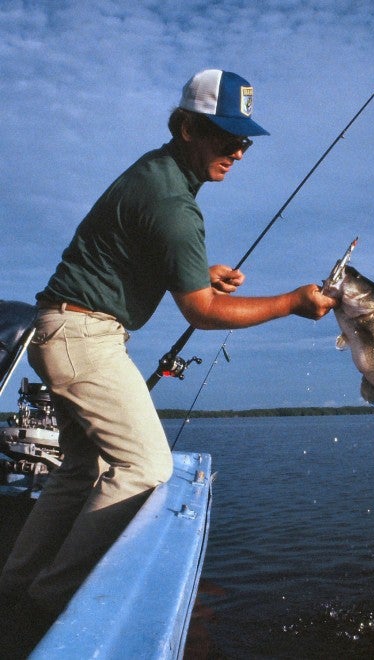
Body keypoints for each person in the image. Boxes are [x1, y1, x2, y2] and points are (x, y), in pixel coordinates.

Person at [0, 69, 337, 624]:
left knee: (78, 471)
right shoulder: (174, 205)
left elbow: (134, 252)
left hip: (58, 329)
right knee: (145, 466)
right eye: (224, 136)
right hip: (87, 339)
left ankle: (14, 585)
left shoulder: (154, 174)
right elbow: (201, 313)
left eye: (243, 140)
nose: (236, 151)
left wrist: (199, 272)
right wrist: (292, 303)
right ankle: (50, 600)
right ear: (186, 127)